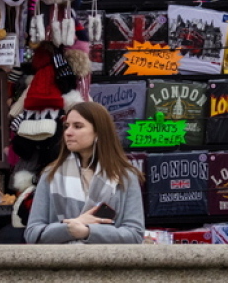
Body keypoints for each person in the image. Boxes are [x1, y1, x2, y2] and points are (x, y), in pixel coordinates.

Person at [24, 101, 145, 244]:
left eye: (78, 126)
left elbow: (135, 235)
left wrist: (88, 231)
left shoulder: (125, 176)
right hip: (62, 263)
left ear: (98, 132)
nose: (68, 132)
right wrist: (70, 228)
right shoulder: (51, 175)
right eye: (66, 126)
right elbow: (32, 234)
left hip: (107, 264)